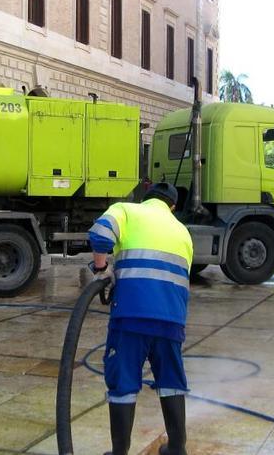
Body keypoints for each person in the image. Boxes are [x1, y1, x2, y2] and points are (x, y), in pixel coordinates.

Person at [87, 182, 194, 455]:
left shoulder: (126, 210)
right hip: (172, 320)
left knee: (123, 380)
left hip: (131, 317)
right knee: (171, 379)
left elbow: (100, 233)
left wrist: (101, 270)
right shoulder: (183, 232)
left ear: (145, 199)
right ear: (172, 207)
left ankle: (120, 452)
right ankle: (177, 448)